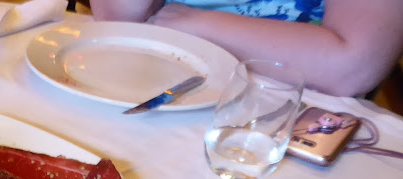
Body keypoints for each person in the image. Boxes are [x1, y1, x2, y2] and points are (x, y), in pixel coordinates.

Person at [88, 0, 403, 98]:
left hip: (291, 106)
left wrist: (192, 24)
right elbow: (117, 21)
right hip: (160, 81)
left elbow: (350, 66)